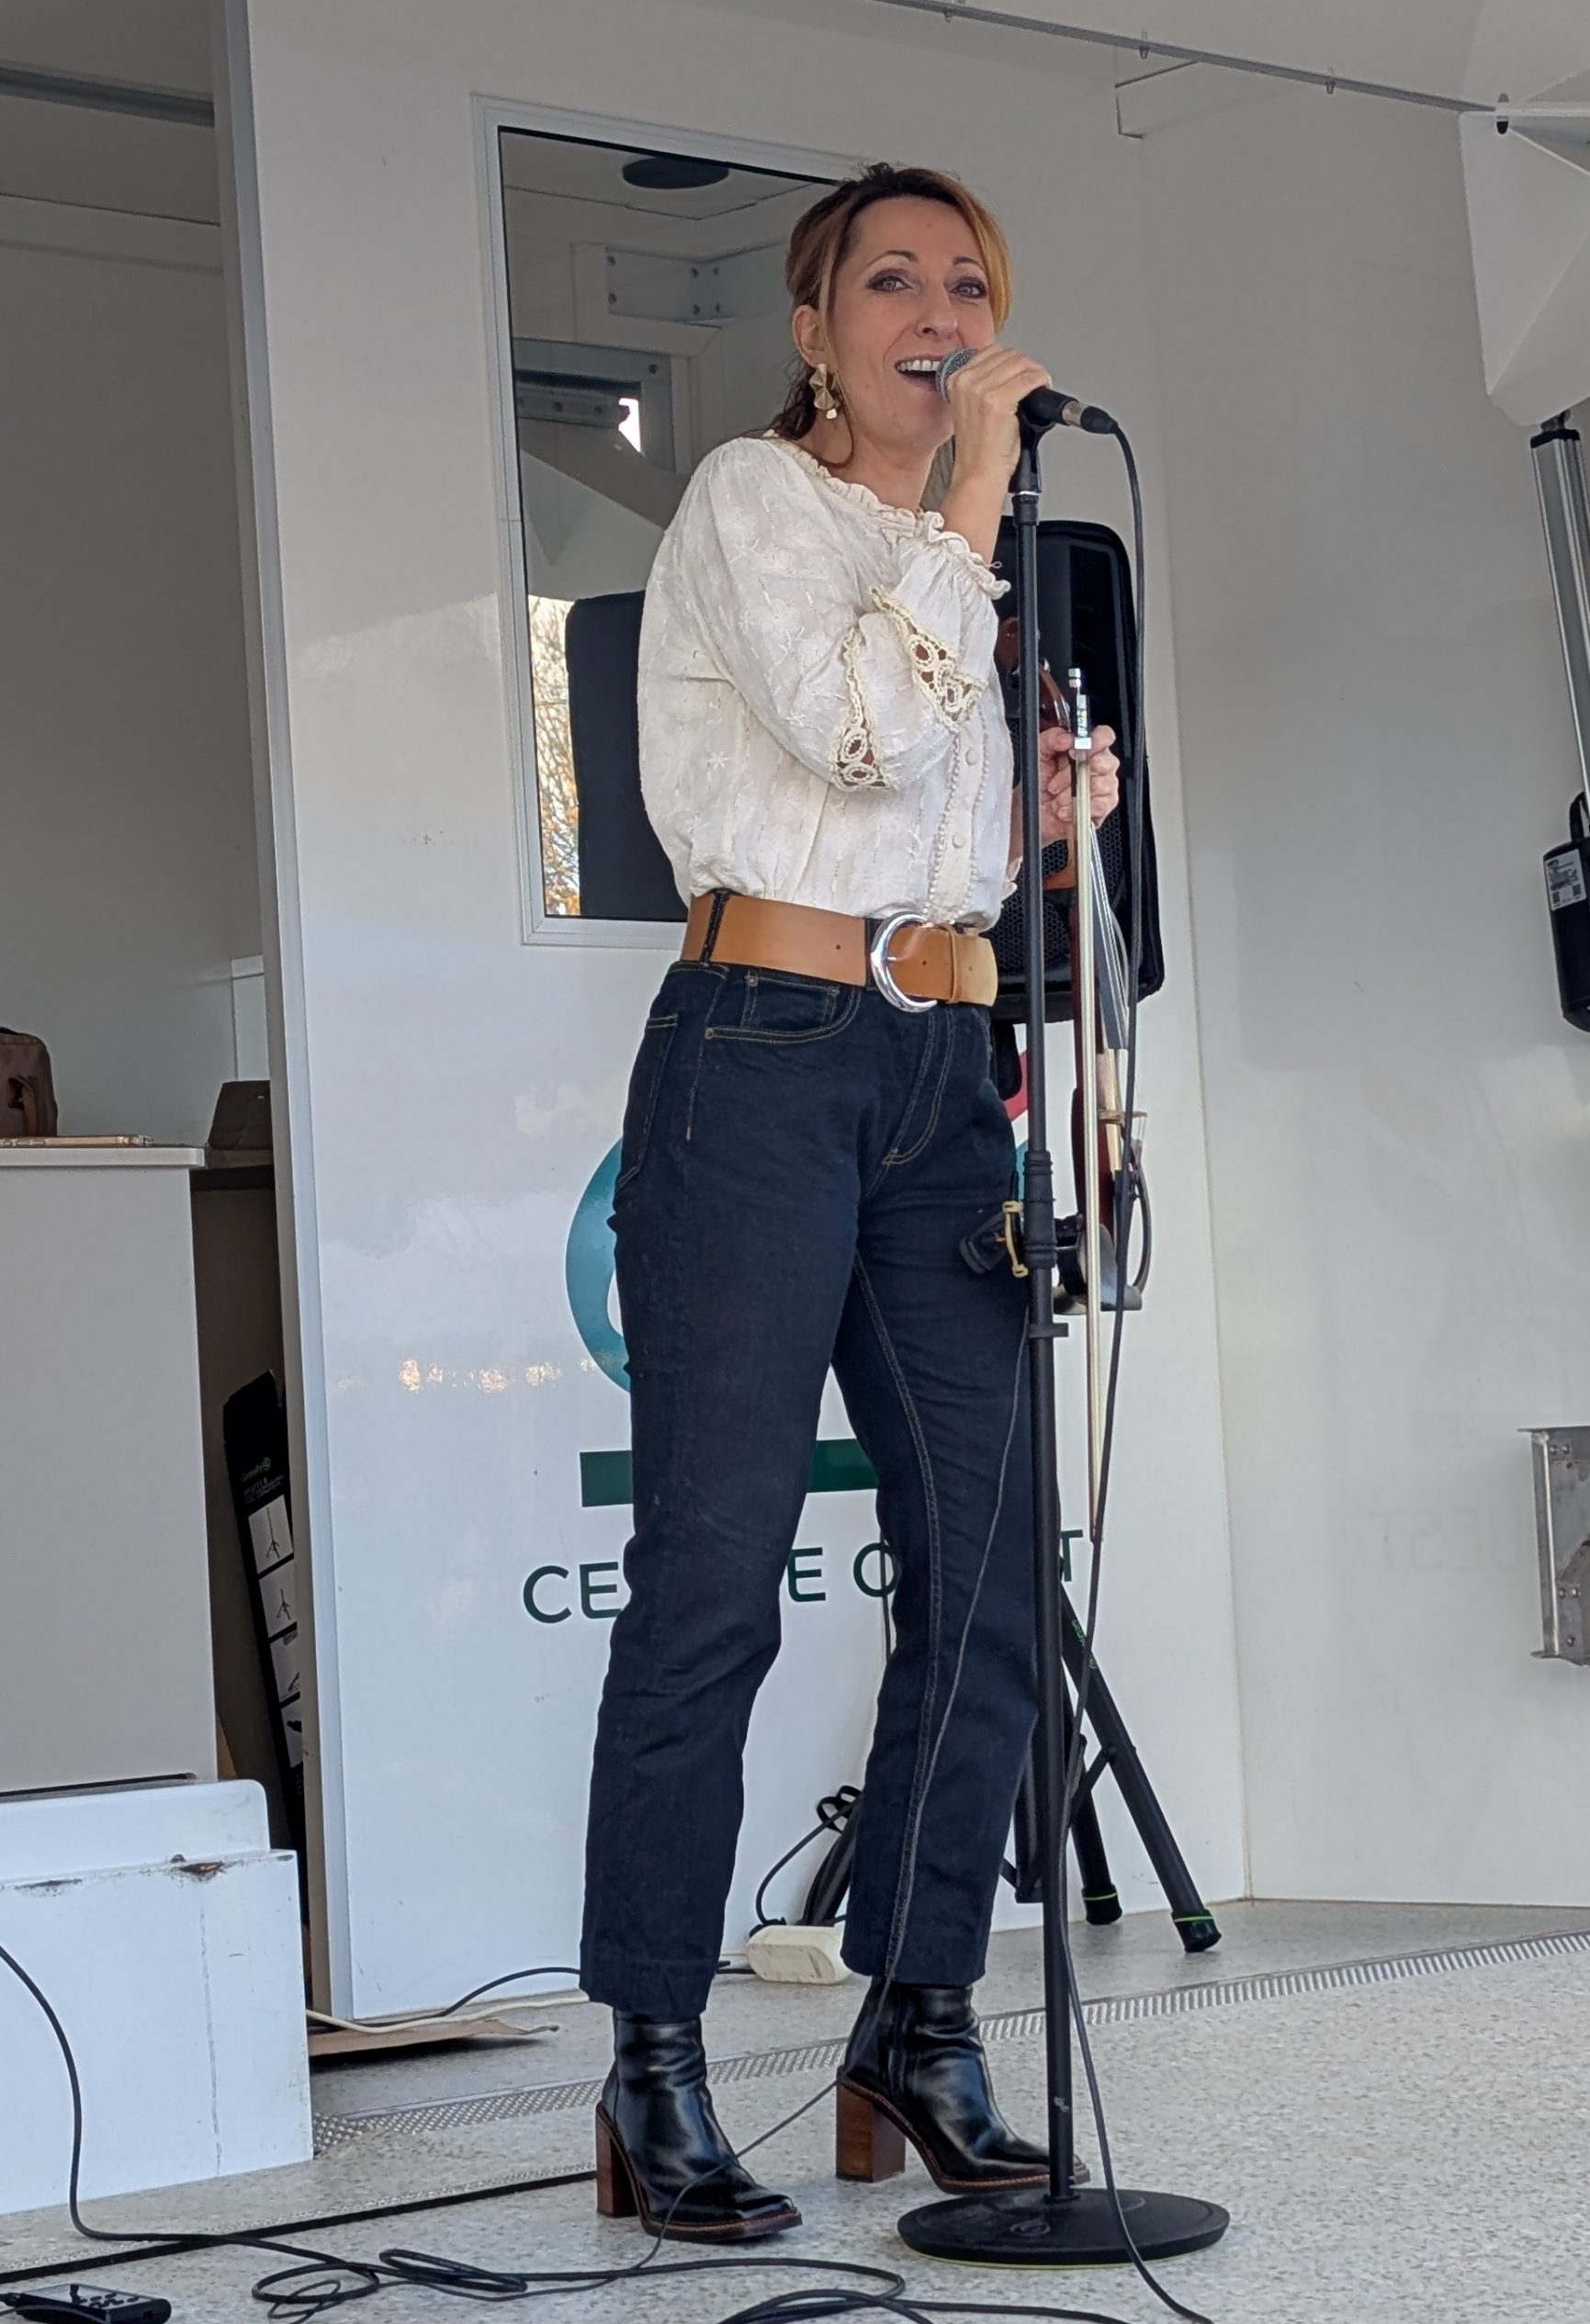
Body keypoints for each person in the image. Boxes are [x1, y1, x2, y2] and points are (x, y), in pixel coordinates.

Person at [579, 162, 1120, 2242]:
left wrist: (1043, 817)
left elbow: (937, 832)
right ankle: (653, 2059)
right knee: (712, 1577)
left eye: (967, 282)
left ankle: (919, 2009)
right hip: (757, 1055)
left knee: (991, 1570)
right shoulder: (756, 501)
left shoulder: (954, 562)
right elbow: (859, 738)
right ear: (812, 331)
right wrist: (968, 497)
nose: (937, 313)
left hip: (937, 1071)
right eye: (890, 281)